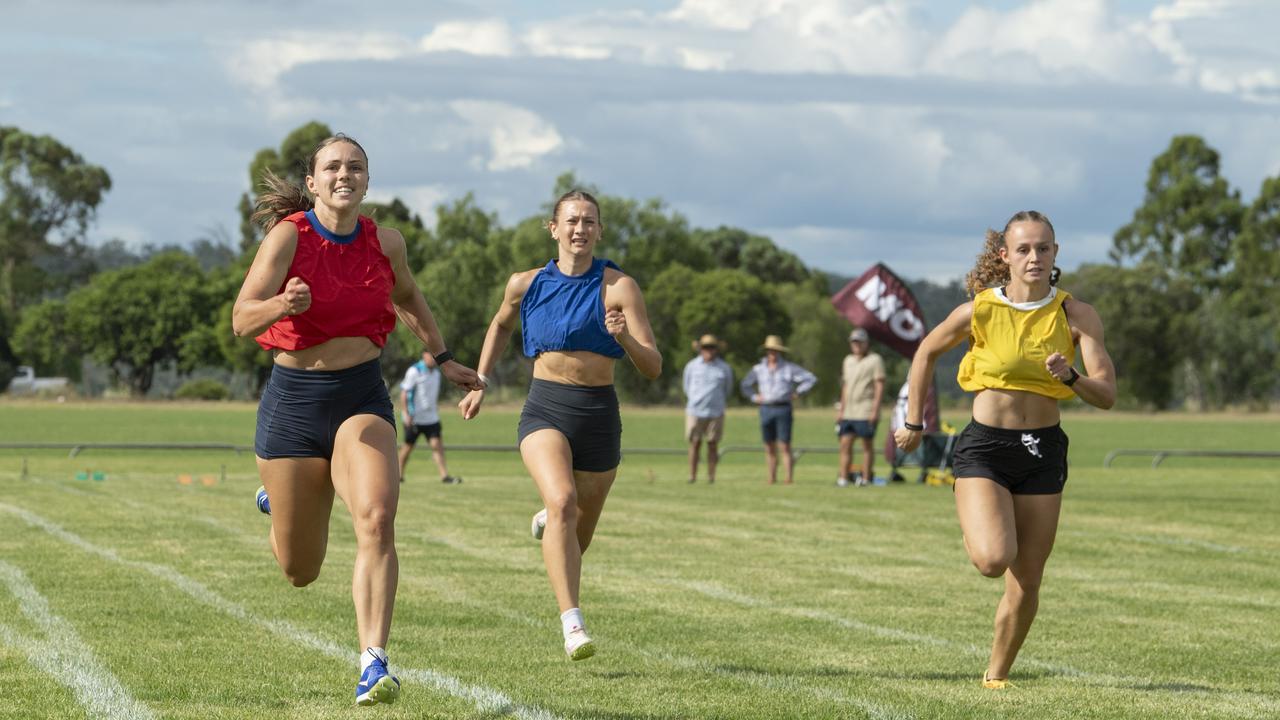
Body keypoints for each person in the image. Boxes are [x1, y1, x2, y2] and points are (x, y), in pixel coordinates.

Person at [232, 134, 481, 706]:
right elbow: (243, 319)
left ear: (367, 181)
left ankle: (373, 660)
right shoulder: (288, 237)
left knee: (376, 516)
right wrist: (282, 305)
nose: (345, 174)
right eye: (333, 167)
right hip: (294, 400)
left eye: (356, 167)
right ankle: (278, 500)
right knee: (300, 570)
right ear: (313, 183)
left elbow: (410, 298)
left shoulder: (385, 243)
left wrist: (446, 360)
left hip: (360, 396)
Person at [894, 211, 1115, 689]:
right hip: (986, 448)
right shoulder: (980, 309)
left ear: (1056, 253)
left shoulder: (1076, 315)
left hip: (1044, 450)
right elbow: (925, 352)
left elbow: (1107, 395)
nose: (1034, 257)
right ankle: (982, 524)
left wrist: (1071, 376)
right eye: (1024, 249)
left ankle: (996, 676)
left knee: (1028, 579)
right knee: (995, 559)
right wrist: (913, 421)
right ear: (1005, 256)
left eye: (1044, 248)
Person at [458, 189, 661, 661]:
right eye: (571, 221)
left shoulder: (619, 288)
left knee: (577, 533)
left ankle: (554, 519)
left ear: (600, 231)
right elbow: (501, 325)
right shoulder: (525, 284)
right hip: (545, 408)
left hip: (598, 413)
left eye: (589, 222)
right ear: (554, 228)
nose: (580, 229)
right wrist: (480, 380)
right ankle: (573, 623)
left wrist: (624, 337)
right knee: (564, 499)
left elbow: (652, 366)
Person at [740, 335, 817, 485]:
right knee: (769, 445)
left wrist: (798, 392)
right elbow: (745, 385)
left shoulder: (788, 368)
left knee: (784, 445)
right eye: (770, 350)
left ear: (779, 352)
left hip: (783, 407)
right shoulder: (758, 369)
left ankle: (788, 478)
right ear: (766, 351)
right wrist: (755, 398)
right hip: (765, 407)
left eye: (775, 350)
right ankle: (771, 477)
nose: (772, 353)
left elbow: (811, 379)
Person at [398, 350, 460, 484]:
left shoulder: (437, 373)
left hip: (431, 418)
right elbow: (404, 394)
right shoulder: (414, 371)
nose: (433, 359)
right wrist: (407, 414)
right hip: (415, 418)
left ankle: (444, 476)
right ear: (424, 355)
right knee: (408, 447)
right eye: (430, 355)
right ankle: (398, 474)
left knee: (437, 445)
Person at [836, 328, 885, 486]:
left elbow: (879, 385)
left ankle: (866, 478)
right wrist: (841, 409)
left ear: (866, 343)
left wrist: (875, 410)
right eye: (854, 342)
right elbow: (845, 386)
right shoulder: (847, 360)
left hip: (865, 409)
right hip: (849, 411)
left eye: (859, 342)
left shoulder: (875, 360)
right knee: (845, 443)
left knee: (866, 445)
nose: (856, 345)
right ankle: (843, 478)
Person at [682, 334, 734, 484]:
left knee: (713, 444)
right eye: (706, 347)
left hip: (716, 411)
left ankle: (711, 476)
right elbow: (686, 387)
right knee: (695, 443)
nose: (709, 350)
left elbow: (727, 389)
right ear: (700, 349)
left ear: (716, 350)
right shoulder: (692, 366)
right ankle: (692, 476)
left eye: (712, 347)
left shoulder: (724, 368)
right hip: (695, 411)